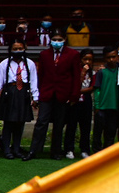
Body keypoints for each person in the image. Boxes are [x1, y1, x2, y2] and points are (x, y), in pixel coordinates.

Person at [26, 32, 80, 161]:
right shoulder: (44, 55)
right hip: (47, 93)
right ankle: (34, 150)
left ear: (64, 39)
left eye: (59, 39)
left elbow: (76, 77)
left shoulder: (73, 54)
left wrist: (74, 96)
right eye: (54, 39)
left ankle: (55, 151)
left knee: (59, 124)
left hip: (63, 94)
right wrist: (37, 94)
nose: (57, 41)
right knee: (41, 122)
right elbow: (41, 75)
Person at [0, 42, 39, 159]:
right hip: (10, 92)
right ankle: (6, 149)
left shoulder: (30, 64)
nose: (18, 50)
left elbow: (33, 81)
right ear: (11, 50)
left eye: (20, 48)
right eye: (15, 48)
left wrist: (36, 97)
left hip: (23, 93)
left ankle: (16, 148)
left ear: (24, 49)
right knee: (8, 122)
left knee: (20, 122)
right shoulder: (5, 63)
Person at [63, 50, 95, 159]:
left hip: (86, 100)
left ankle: (85, 149)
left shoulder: (93, 73)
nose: (87, 62)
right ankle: (69, 149)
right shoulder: (76, 71)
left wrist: (79, 91)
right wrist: (82, 74)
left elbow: (91, 88)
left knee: (85, 126)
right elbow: (76, 83)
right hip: (74, 100)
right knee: (71, 125)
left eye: (89, 59)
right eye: (85, 59)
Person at [92, 47, 119, 151]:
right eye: (109, 57)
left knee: (111, 132)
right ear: (105, 58)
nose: (111, 59)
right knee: (98, 131)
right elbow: (97, 89)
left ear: (117, 56)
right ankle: (96, 152)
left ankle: (108, 152)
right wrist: (97, 106)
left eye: (113, 57)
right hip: (102, 107)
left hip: (115, 106)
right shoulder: (102, 72)